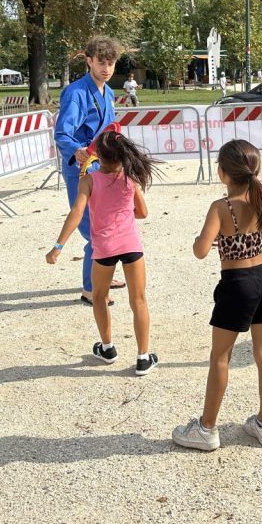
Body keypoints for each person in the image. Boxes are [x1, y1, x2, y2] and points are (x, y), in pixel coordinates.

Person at [173, 140, 262, 451]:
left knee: (220, 357)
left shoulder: (221, 207)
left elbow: (201, 251)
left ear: (222, 173)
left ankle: (207, 427)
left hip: (236, 282)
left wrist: (205, 238)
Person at [46, 128, 162, 375]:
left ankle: (107, 348)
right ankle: (143, 357)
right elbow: (142, 213)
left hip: (104, 248)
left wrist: (58, 247)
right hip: (131, 245)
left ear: (97, 155)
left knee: (99, 297)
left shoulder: (88, 180)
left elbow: (76, 213)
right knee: (138, 299)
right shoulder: (131, 180)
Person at [54, 36, 122, 304]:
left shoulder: (109, 92)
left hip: (104, 165)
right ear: (89, 61)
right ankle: (91, 289)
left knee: (107, 223)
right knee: (93, 228)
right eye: (101, 63)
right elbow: (62, 133)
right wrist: (76, 149)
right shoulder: (75, 92)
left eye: (111, 63)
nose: (106, 68)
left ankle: (102, 276)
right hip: (81, 167)